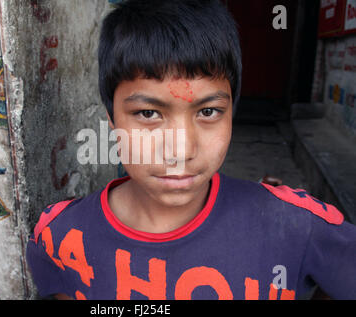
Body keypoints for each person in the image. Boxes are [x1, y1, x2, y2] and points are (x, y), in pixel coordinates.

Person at [26, 0, 356, 300]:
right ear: (112, 120)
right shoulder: (61, 237)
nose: (181, 149)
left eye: (208, 112)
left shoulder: (297, 228)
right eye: (148, 113)